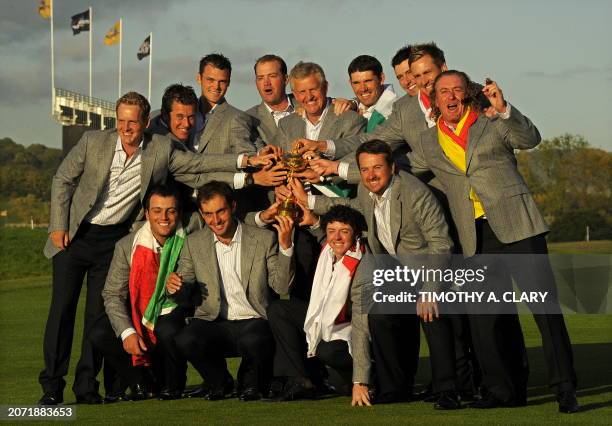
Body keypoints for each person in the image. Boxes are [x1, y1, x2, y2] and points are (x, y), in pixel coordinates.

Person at [38, 91, 274, 406]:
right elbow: (63, 179)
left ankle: (86, 388)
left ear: (146, 122)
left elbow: (199, 165)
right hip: (74, 235)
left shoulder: (160, 148)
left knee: (97, 317)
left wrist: (246, 165)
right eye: (121, 121)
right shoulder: (93, 141)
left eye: (132, 122)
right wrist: (58, 224)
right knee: (61, 313)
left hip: (113, 241)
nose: (125, 127)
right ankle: (52, 388)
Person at [410, 70, 579, 413]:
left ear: (467, 94)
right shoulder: (428, 142)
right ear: (436, 100)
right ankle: (504, 392)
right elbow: (389, 167)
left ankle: (565, 388)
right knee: (487, 320)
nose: (451, 96)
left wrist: (504, 108)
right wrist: (333, 167)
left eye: (457, 89)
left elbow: (530, 138)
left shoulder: (491, 120)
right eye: (444, 91)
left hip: (519, 228)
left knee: (544, 312)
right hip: (475, 237)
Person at [292, 140, 461, 409]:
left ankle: (448, 389)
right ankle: (395, 388)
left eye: (377, 168)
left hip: (430, 269)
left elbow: (441, 244)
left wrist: (430, 288)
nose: (371, 175)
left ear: (392, 167)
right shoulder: (364, 190)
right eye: (365, 169)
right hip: (394, 274)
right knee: (379, 314)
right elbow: (348, 206)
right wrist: (309, 202)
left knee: (432, 313)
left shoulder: (415, 193)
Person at [168, 181, 295, 401]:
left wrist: (286, 247)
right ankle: (219, 382)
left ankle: (252, 382)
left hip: (255, 318)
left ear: (233, 207)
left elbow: (281, 287)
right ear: (201, 213)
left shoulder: (263, 239)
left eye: (220, 212)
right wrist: (176, 288)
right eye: (208, 214)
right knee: (185, 339)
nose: (215, 220)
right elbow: (184, 290)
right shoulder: (193, 243)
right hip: (214, 321)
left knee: (253, 347)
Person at [90, 184, 192, 402]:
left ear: (179, 213)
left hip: (177, 312)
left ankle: (172, 383)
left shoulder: (193, 236)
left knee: (168, 328)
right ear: (147, 214)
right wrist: (128, 332)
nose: (163, 217)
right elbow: (112, 294)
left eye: (170, 211)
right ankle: (139, 382)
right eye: (157, 211)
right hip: (140, 313)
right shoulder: (127, 246)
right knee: (101, 331)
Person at [267, 205, 373, 406]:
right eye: (332, 231)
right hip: (329, 325)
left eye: (344, 231)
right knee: (279, 309)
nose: (337, 238)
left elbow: (362, 327)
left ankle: (366, 379)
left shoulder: (362, 263)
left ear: (356, 234)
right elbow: (323, 236)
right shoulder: (328, 249)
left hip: (353, 333)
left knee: (328, 352)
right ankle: (301, 380)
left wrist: (361, 381)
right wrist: (312, 221)